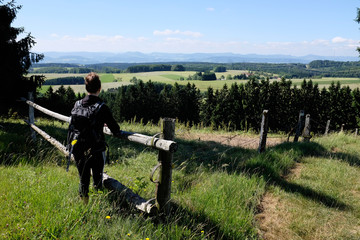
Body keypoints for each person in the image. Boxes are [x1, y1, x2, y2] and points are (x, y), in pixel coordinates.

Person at [68, 72, 121, 202]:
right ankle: (98, 205)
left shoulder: (77, 104)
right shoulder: (102, 107)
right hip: (96, 150)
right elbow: (115, 129)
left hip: (78, 148)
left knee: (83, 180)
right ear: (99, 88)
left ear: (86, 88)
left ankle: (84, 205)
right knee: (97, 180)